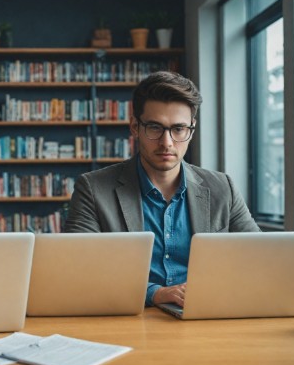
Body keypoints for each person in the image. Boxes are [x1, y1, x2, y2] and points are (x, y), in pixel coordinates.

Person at [64, 71, 259, 308]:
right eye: (155, 128)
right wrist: (155, 293)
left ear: (191, 130)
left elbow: (256, 259)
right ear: (135, 127)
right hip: (131, 318)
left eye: (178, 129)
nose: (167, 142)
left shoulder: (222, 188)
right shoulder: (93, 189)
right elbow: (79, 271)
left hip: (207, 315)